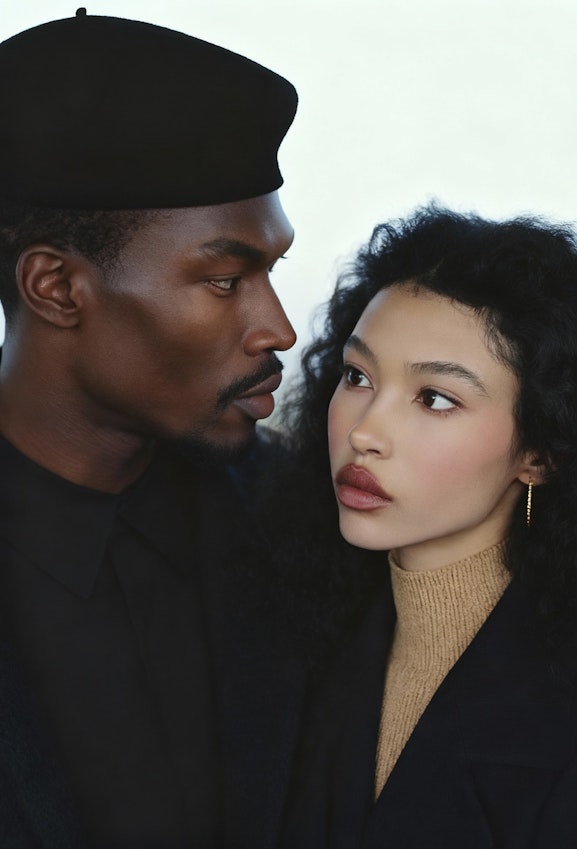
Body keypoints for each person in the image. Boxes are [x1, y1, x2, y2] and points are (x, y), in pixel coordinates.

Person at [0, 10, 302, 848]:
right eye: (225, 279)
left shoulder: (306, 520)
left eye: (272, 270)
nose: (278, 328)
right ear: (57, 288)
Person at [278, 205, 577, 847]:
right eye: (357, 376)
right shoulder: (293, 633)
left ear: (541, 454)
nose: (364, 432)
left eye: (435, 399)